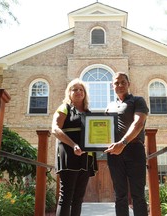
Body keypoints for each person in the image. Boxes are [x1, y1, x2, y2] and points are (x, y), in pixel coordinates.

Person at [105, 72, 149, 216]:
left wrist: (123, 143)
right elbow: (103, 131)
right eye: (117, 83)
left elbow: (139, 123)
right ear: (113, 86)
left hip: (134, 149)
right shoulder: (109, 107)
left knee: (138, 195)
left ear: (128, 84)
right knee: (120, 195)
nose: (120, 85)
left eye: (123, 82)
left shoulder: (137, 101)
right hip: (114, 154)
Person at [52, 78, 98, 216]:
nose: (78, 92)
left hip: (86, 158)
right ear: (69, 93)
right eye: (74, 89)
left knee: (78, 198)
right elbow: (55, 129)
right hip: (69, 155)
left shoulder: (89, 113)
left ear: (84, 93)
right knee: (66, 197)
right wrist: (73, 145)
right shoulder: (64, 108)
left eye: (81, 89)